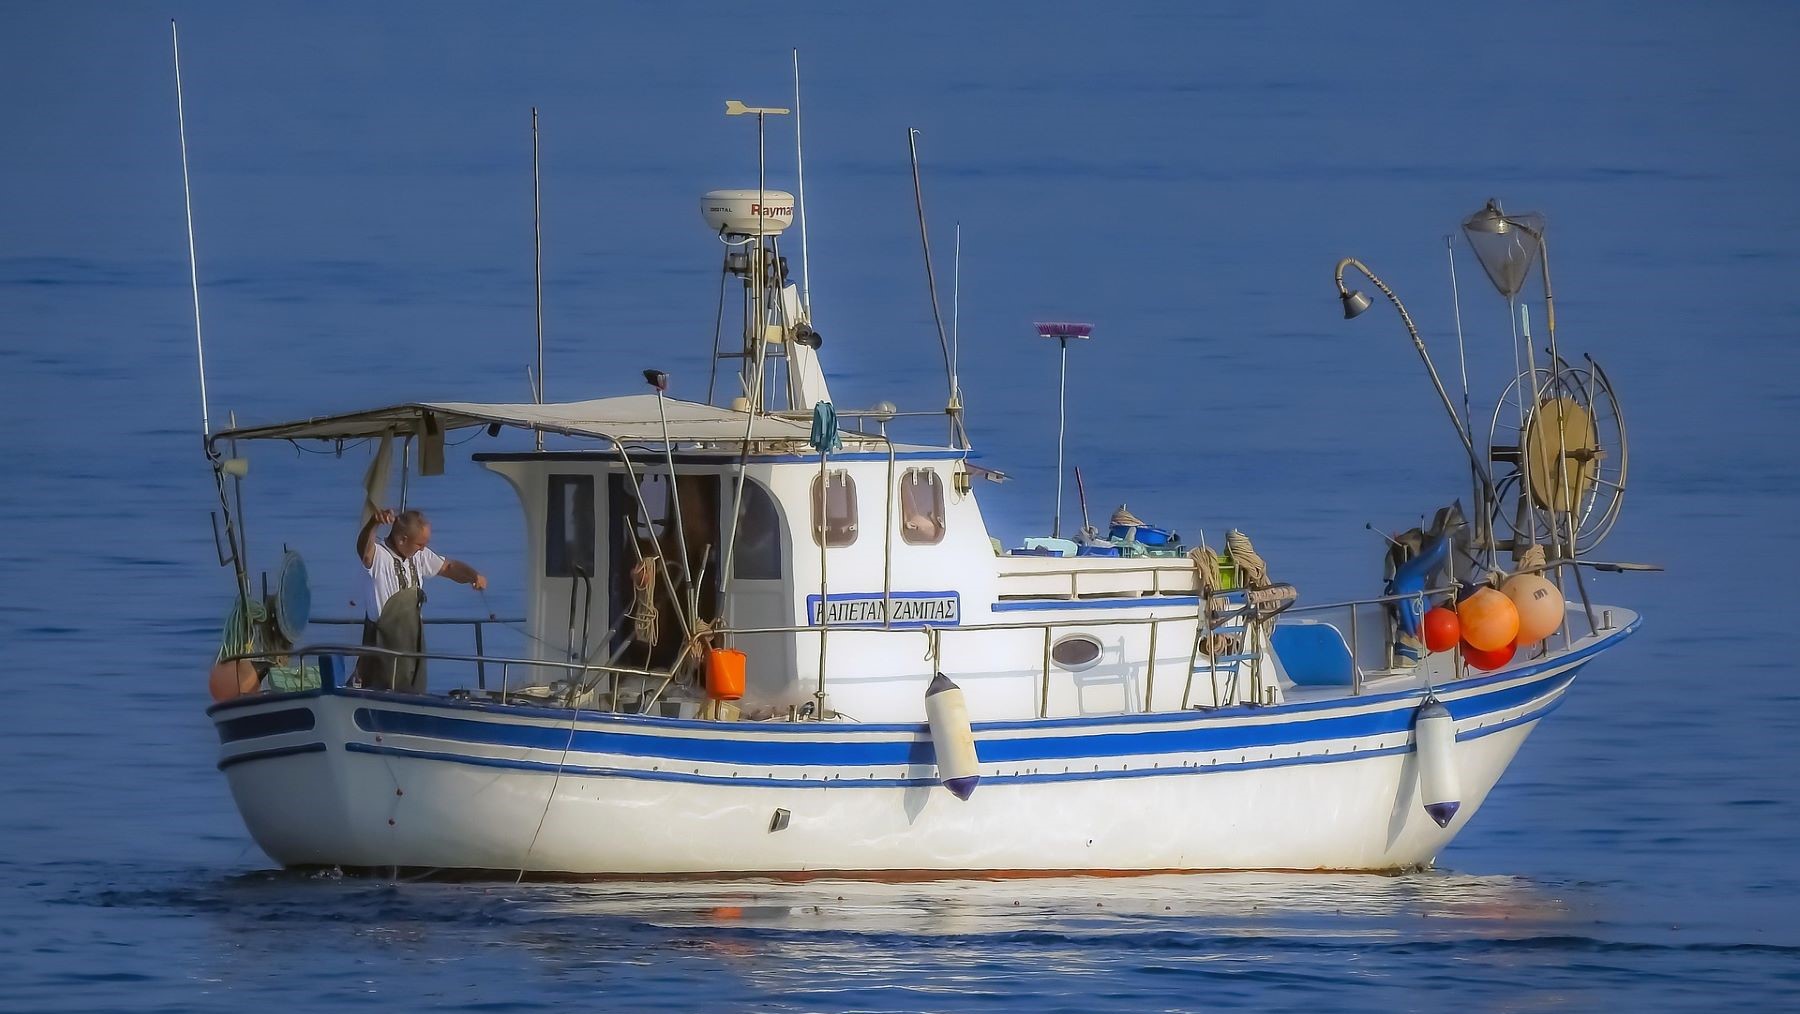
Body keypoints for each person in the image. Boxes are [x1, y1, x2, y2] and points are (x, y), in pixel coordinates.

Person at [356, 507, 487, 614]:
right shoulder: (378, 556)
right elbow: (365, 551)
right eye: (419, 544)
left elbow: (448, 568)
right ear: (402, 540)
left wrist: (473, 575)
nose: (423, 549)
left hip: (412, 634)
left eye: (425, 544)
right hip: (382, 636)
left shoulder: (419, 555)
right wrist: (373, 523)